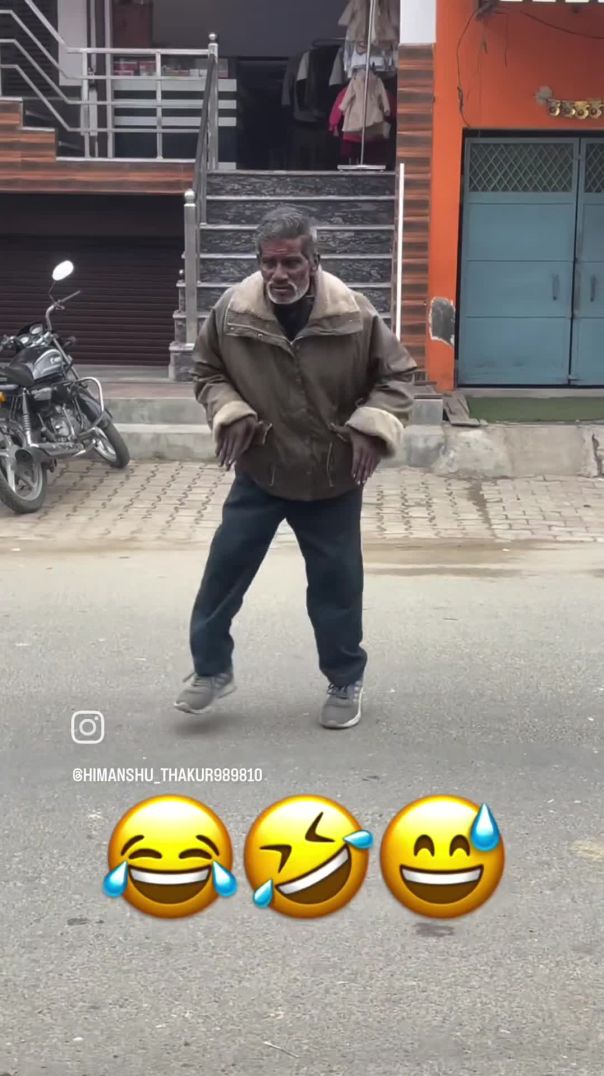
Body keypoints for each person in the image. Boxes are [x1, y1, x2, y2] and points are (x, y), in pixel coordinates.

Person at [175, 206, 416, 729]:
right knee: (222, 574)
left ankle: (344, 680)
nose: (279, 274)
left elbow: (397, 379)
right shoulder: (233, 312)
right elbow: (207, 372)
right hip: (262, 470)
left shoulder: (353, 314)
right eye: (269, 263)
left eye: (291, 263)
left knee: (336, 588)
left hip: (332, 475)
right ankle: (211, 670)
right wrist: (231, 411)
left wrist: (370, 427)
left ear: (314, 261)